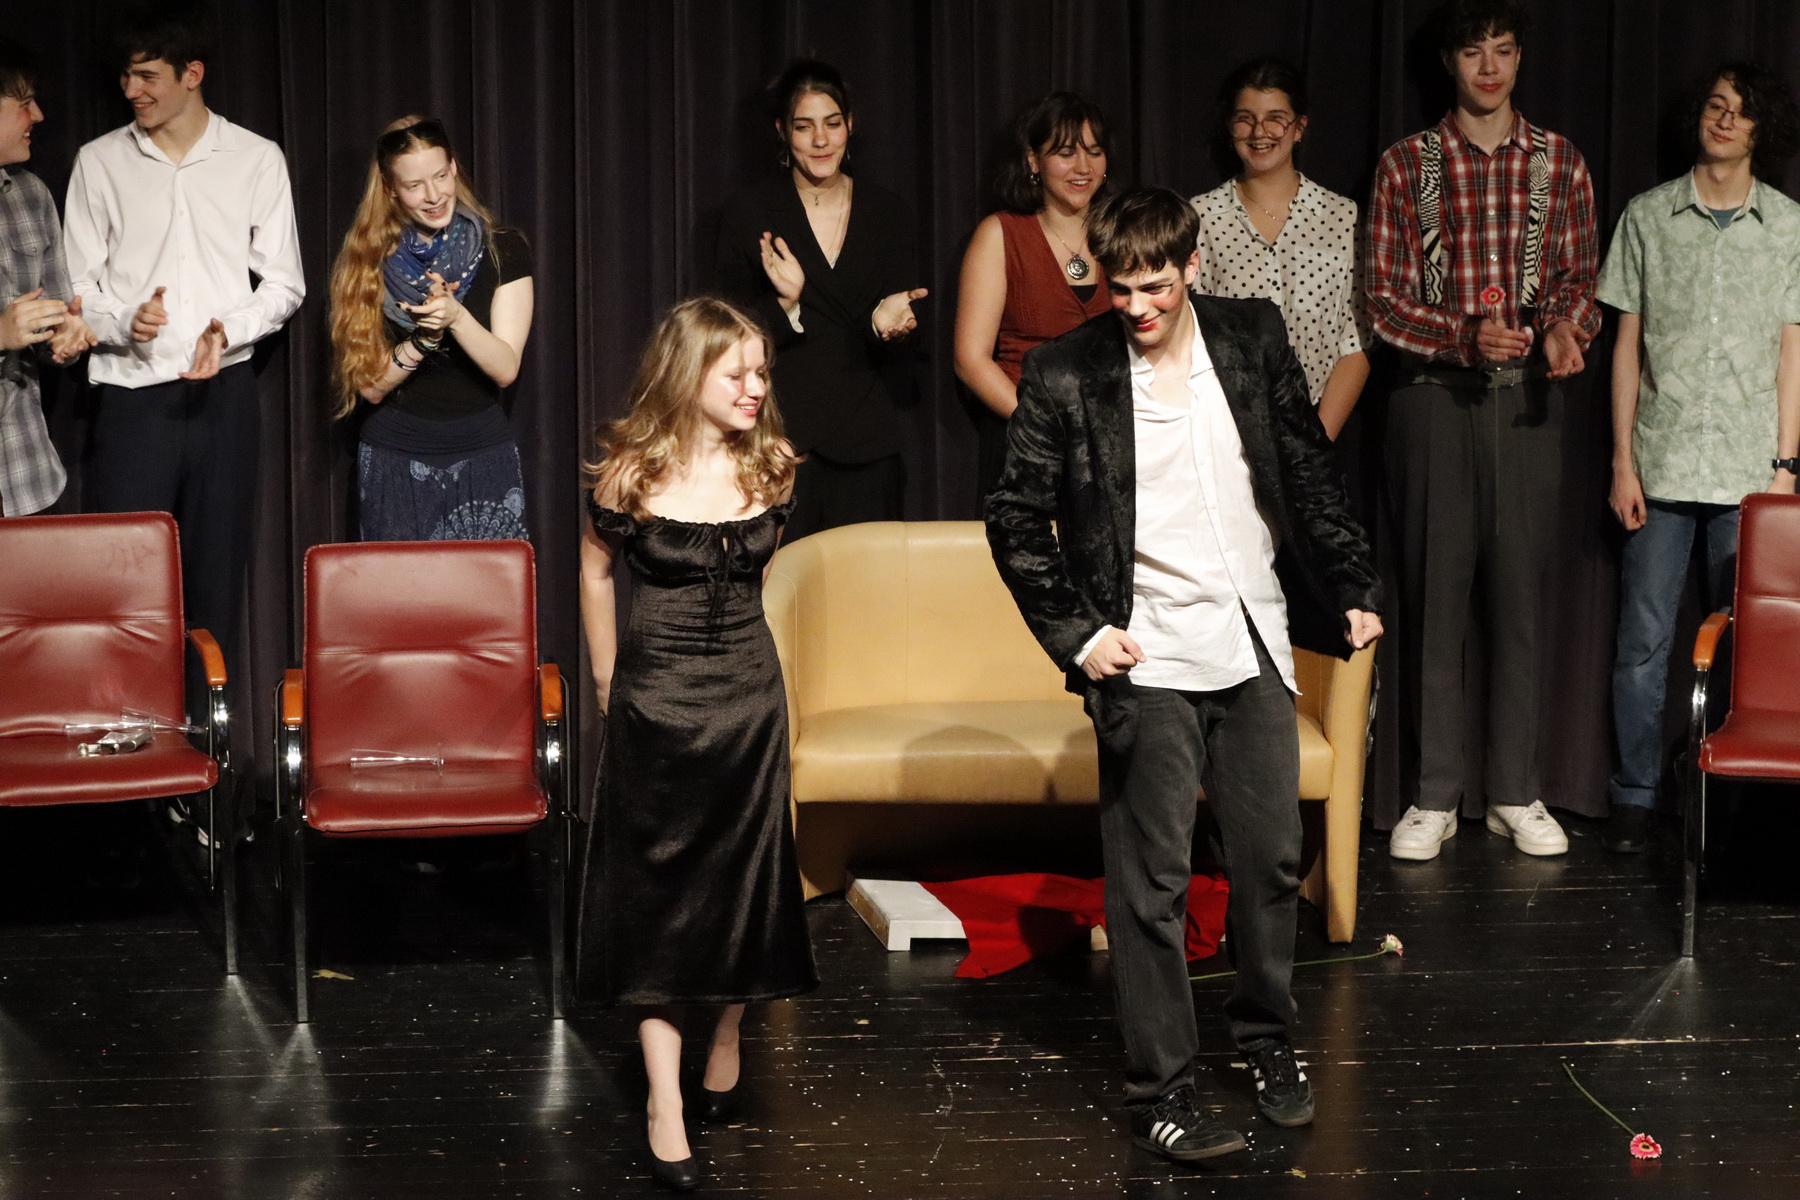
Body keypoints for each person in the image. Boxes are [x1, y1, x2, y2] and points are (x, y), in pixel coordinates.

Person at [985, 186, 1381, 1162]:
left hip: (1250, 642)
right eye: (1120, 289)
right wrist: (1081, 634)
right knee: (1151, 881)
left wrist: (1350, 582)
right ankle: (1160, 1090)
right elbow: (1014, 517)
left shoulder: (1249, 339)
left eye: (1156, 287)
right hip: (1146, 655)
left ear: (1192, 268)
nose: (1138, 307)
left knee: (1270, 860)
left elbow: (1307, 467)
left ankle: (1266, 1039)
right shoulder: (1067, 372)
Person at [575, 297, 817, 1192]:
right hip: (656, 702)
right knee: (656, 897)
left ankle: (726, 1030)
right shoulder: (630, 474)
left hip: (749, 702)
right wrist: (607, 680)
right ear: (689, 375)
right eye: (737, 373)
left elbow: (758, 574)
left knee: (746, 881)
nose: (756, 388)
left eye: (762, 372)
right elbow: (594, 570)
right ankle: (663, 1102)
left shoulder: (774, 468)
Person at [1365, 0, 1600, 861]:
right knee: (1435, 595)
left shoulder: (1559, 161)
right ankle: (1434, 793)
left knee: (1520, 600)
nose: (1490, 68)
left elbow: (1578, 279)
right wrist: (1464, 336)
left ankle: (1513, 790)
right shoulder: (1407, 164)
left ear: (1520, 58)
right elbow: (1384, 300)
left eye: (1503, 51)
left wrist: (1567, 328)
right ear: (1450, 63)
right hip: (1433, 399)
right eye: (1474, 53)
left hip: (1526, 402)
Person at [1597, 62, 1800, 854]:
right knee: (1643, 642)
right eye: (1716, 105)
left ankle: (1731, 803)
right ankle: (1636, 797)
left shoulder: (1788, 226)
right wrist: (1623, 462)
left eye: (1741, 112)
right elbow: (1627, 348)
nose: (1725, 119)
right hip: (1663, 463)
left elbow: (1792, 355)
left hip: (1750, 472)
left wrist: (1785, 469)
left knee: (1749, 650)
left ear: (1761, 131)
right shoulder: (1649, 215)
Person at [62, 2, 303, 658]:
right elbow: (77, 291)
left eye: (147, 76)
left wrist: (228, 329)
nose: (131, 90)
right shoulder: (99, 162)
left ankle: (207, 724)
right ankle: (127, 722)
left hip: (222, 398)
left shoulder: (255, 158)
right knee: (124, 584)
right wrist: (125, 320)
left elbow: (284, 283)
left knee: (214, 584)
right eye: (125, 76)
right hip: (131, 401)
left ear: (192, 74)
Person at [715, 58, 928, 542]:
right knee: (783, 587)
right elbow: (723, 336)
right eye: (804, 126)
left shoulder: (887, 212)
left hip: (867, 447)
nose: (820, 140)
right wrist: (786, 305)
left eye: (832, 124)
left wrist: (886, 327)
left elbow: (906, 339)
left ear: (850, 125)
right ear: (782, 131)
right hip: (783, 444)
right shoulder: (750, 211)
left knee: (869, 586)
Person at [328, 116, 535, 541]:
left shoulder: (503, 248)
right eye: (415, 185)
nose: (434, 195)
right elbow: (370, 386)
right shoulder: (366, 261)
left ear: (454, 168)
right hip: (395, 456)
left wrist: (456, 317)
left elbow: (505, 368)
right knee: (398, 586)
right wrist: (423, 339)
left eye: (440, 176)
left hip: (481, 454)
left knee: (488, 585)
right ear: (390, 188)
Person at [1191, 56, 1368, 440]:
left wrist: (1315, 444)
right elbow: (1190, 341)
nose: (1260, 132)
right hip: (1226, 436)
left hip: (1315, 430)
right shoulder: (1202, 217)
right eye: (1245, 119)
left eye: (1275, 118)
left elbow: (1354, 344)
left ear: (1299, 127)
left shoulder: (1341, 216)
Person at [955, 92, 1114, 498]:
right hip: (1026, 443)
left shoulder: (1123, 232)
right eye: (1066, 153)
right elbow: (971, 360)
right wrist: (1043, 427)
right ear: (1033, 161)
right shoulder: (1000, 234)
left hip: (1111, 443)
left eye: (1094, 152)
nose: (1083, 167)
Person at [0, 35, 97, 517]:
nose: (37, 116)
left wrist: (66, 336)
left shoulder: (31, 195)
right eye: (24, 103)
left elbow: (55, 322)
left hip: (26, 473)